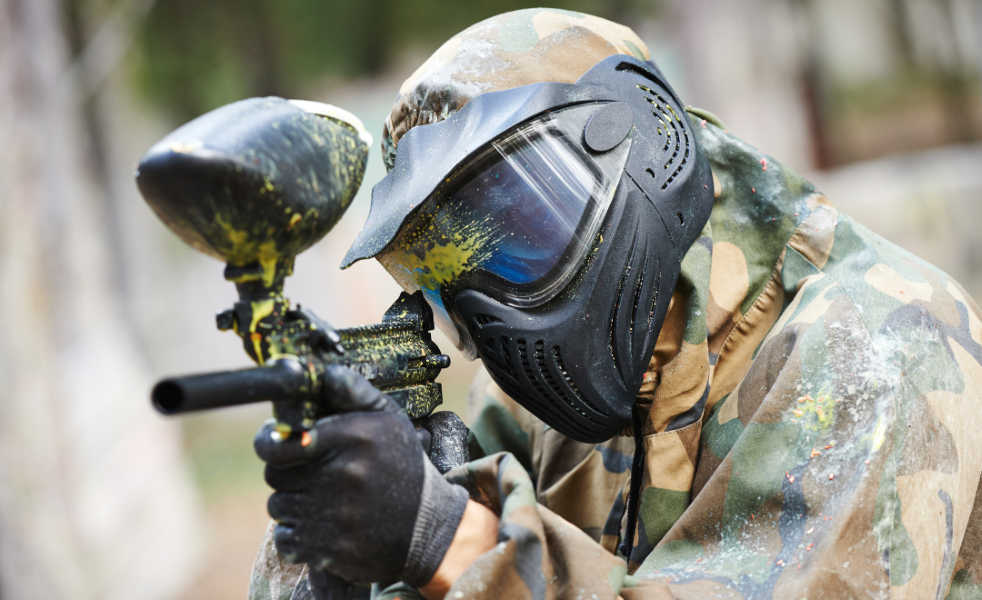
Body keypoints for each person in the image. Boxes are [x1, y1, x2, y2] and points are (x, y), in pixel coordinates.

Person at [248, 9, 982, 600]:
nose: (491, 307)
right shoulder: (533, 406)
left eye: (523, 228)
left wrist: (449, 541)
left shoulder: (880, 341)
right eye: (442, 272)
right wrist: (339, 549)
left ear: (650, 139)